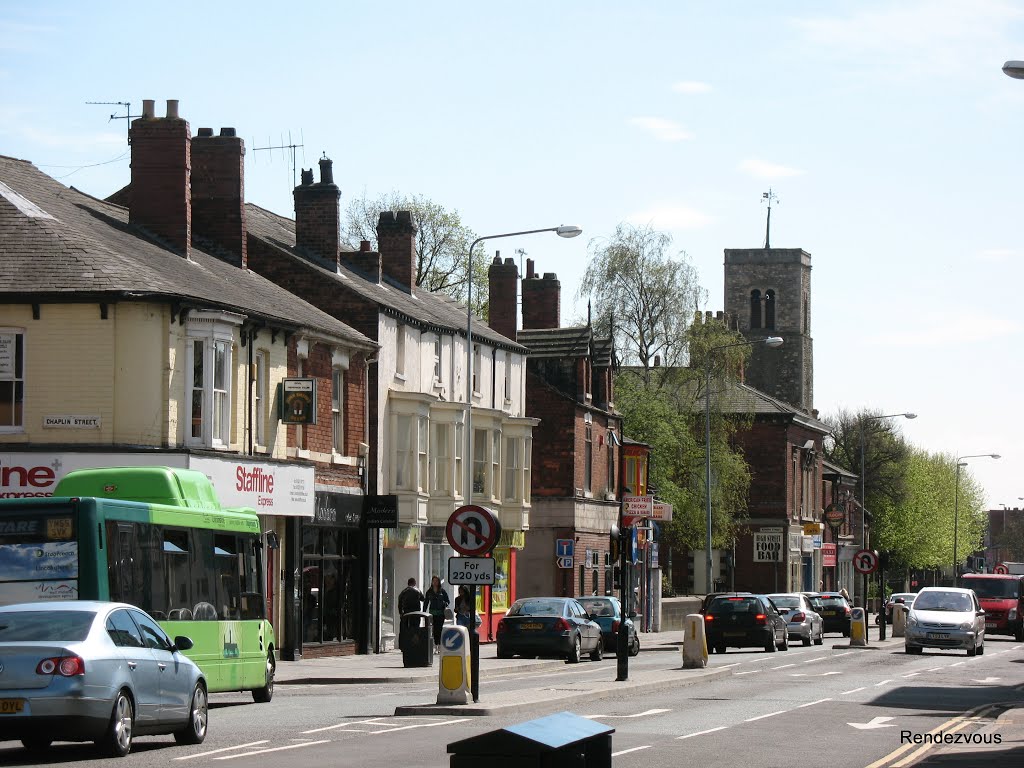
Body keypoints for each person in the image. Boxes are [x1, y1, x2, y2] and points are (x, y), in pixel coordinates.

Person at [422, 575, 450, 647]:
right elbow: (426, 602)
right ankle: (435, 644)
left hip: (441, 613)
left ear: (439, 582)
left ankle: (439, 645)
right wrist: (424, 612)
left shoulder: (442, 591)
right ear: (432, 582)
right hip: (433, 612)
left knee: (439, 628)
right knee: (434, 629)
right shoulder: (429, 591)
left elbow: (448, 601)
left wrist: (444, 603)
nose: (435, 582)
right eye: (433, 581)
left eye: (436, 581)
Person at [397, 577, 423, 650]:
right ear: (414, 583)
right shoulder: (417, 591)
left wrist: (400, 613)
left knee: (403, 629)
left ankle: (402, 646)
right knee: (415, 628)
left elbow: (399, 603)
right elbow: (423, 598)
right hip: (415, 612)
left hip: (406, 613)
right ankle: (414, 644)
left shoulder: (403, 592)